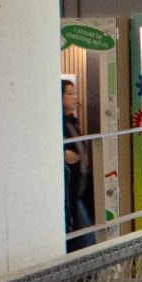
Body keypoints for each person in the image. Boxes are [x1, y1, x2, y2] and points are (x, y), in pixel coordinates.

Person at [62, 80, 94, 250]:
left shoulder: (72, 122)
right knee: (87, 236)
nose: (74, 97)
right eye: (69, 93)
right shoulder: (59, 124)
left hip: (82, 188)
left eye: (75, 93)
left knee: (85, 235)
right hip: (71, 191)